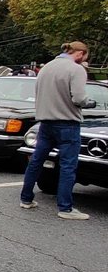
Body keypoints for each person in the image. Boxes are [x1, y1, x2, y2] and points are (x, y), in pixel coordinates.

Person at [20, 41, 95, 220]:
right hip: (67, 123)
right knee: (68, 166)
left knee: (36, 161)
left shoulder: (47, 67)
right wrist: (89, 102)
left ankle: (26, 198)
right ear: (80, 54)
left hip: (45, 121)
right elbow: (78, 98)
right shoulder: (76, 69)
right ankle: (65, 208)